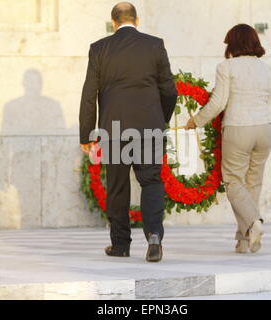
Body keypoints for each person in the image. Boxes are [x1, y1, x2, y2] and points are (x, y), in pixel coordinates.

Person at [79, 2, 177, 262]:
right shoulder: (155, 45)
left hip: (114, 128)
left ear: (113, 22)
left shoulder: (99, 48)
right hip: (149, 127)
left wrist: (86, 133)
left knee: (118, 186)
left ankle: (120, 245)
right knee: (151, 181)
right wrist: (161, 119)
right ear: (137, 20)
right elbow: (169, 90)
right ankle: (154, 235)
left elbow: (89, 93)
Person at [186, 24, 271, 254]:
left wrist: (196, 121)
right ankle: (244, 240)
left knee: (233, 181)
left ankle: (254, 222)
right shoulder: (266, 69)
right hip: (265, 130)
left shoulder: (227, 67)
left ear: (233, 44)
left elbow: (218, 103)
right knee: (252, 183)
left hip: (239, 128)